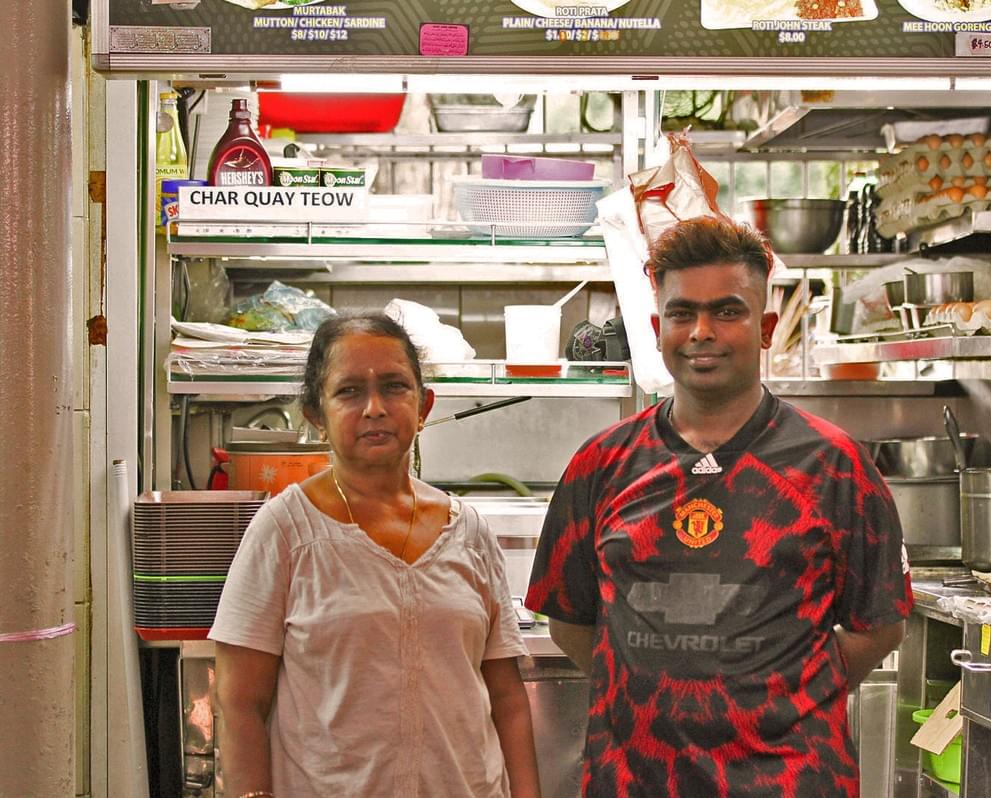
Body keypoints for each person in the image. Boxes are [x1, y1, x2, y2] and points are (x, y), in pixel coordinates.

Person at [525, 216, 911, 797]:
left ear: (766, 328)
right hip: (636, 782)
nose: (701, 332)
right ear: (657, 329)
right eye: (682, 313)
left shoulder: (835, 467)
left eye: (728, 311)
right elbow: (570, 622)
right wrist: (653, 693)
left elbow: (877, 629)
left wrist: (778, 698)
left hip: (789, 783)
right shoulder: (601, 464)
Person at [210, 312, 541, 798]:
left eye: (394, 386)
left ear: (424, 405)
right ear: (316, 414)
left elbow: (507, 699)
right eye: (349, 391)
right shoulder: (286, 531)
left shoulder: (468, 532)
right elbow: (239, 702)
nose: (374, 408)